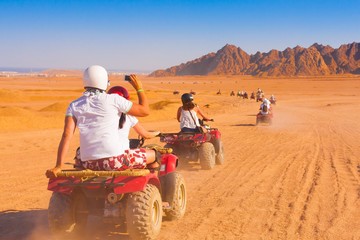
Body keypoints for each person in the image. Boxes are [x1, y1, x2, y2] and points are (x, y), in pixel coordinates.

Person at [45, 65, 158, 178]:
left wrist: (58, 165)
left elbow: (66, 135)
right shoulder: (114, 99)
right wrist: (139, 88)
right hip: (115, 161)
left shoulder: (74, 105)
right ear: (105, 82)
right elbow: (145, 111)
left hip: (87, 163)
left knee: (79, 153)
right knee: (154, 154)